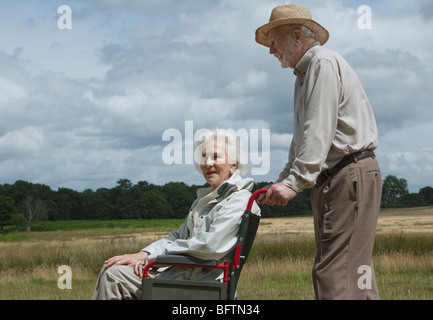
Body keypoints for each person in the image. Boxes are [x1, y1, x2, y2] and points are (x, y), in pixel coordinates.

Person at [255, 4, 382, 299]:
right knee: (355, 269)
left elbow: (319, 129)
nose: (271, 50)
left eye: (274, 41)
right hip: (340, 175)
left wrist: (294, 183)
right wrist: (284, 179)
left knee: (333, 270)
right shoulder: (305, 74)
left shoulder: (322, 64)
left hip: (346, 174)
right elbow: (302, 136)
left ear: (298, 36)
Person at [91, 131, 260, 299]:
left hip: (202, 283)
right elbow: (179, 236)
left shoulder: (239, 200)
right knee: (111, 269)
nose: (208, 163)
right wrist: (144, 254)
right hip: (183, 275)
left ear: (234, 164)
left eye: (216, 157)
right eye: (203, 157)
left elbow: (209, 246)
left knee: (113, 275)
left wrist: (153, 258)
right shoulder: (205, 199)